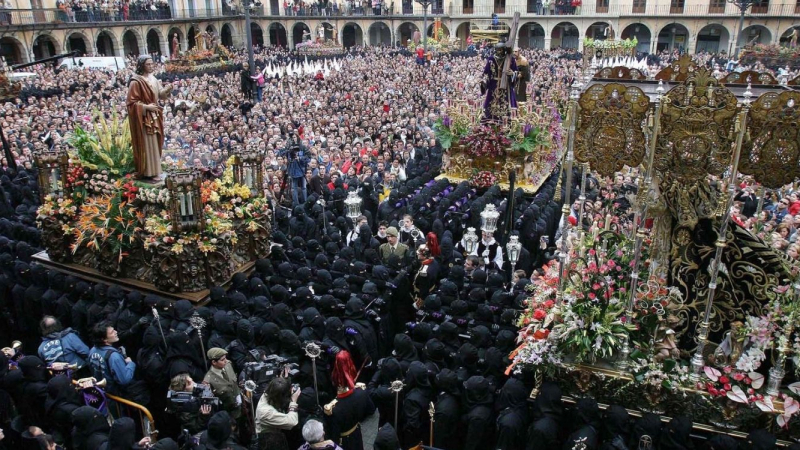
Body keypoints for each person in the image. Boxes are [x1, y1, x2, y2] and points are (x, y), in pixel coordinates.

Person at [126, 55, 172, 180]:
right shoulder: (136, 81)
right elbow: (131, 103)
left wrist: (167, 90)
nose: (151, 66)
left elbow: (160, 95)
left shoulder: (154, 79)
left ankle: (156, 170)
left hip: (155, 115)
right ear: (142, 66)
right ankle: (149, 171)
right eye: (148, 64)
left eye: (152, 64)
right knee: (148, 143)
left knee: (156, 142)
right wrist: (146, 107)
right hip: (144, 118)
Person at [87, 321, 136, 398]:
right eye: (112, 332)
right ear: (104, 340)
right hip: (115, 395)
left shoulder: (92, 350)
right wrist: (131, 364)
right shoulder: (114, 356)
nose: (116, 332)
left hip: (103, 392)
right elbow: (124, 380)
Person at [254, 376, 300, 450]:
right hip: (269, 440)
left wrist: (284, 380)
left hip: (274, 431)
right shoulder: (265, 412)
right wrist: (293, 402)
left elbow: (278, 387)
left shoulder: (270, 392)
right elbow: (292, 422)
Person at [168, 373, 213, 438]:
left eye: (191, 381)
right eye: (189, 383)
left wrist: (207, 392)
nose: (194, 384)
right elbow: (195, 428)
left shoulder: (195, 391)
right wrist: (203, 416)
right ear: (183, 391)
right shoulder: (183, 408)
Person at [203, 348, 242, 421]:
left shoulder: (228, 365)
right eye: (222, 360)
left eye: (226, 358)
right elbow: (209, 403)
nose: (226, 361)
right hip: (226, 416)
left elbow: (234, 382)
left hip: (240, 409)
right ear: (214, 362)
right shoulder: (207, 381)